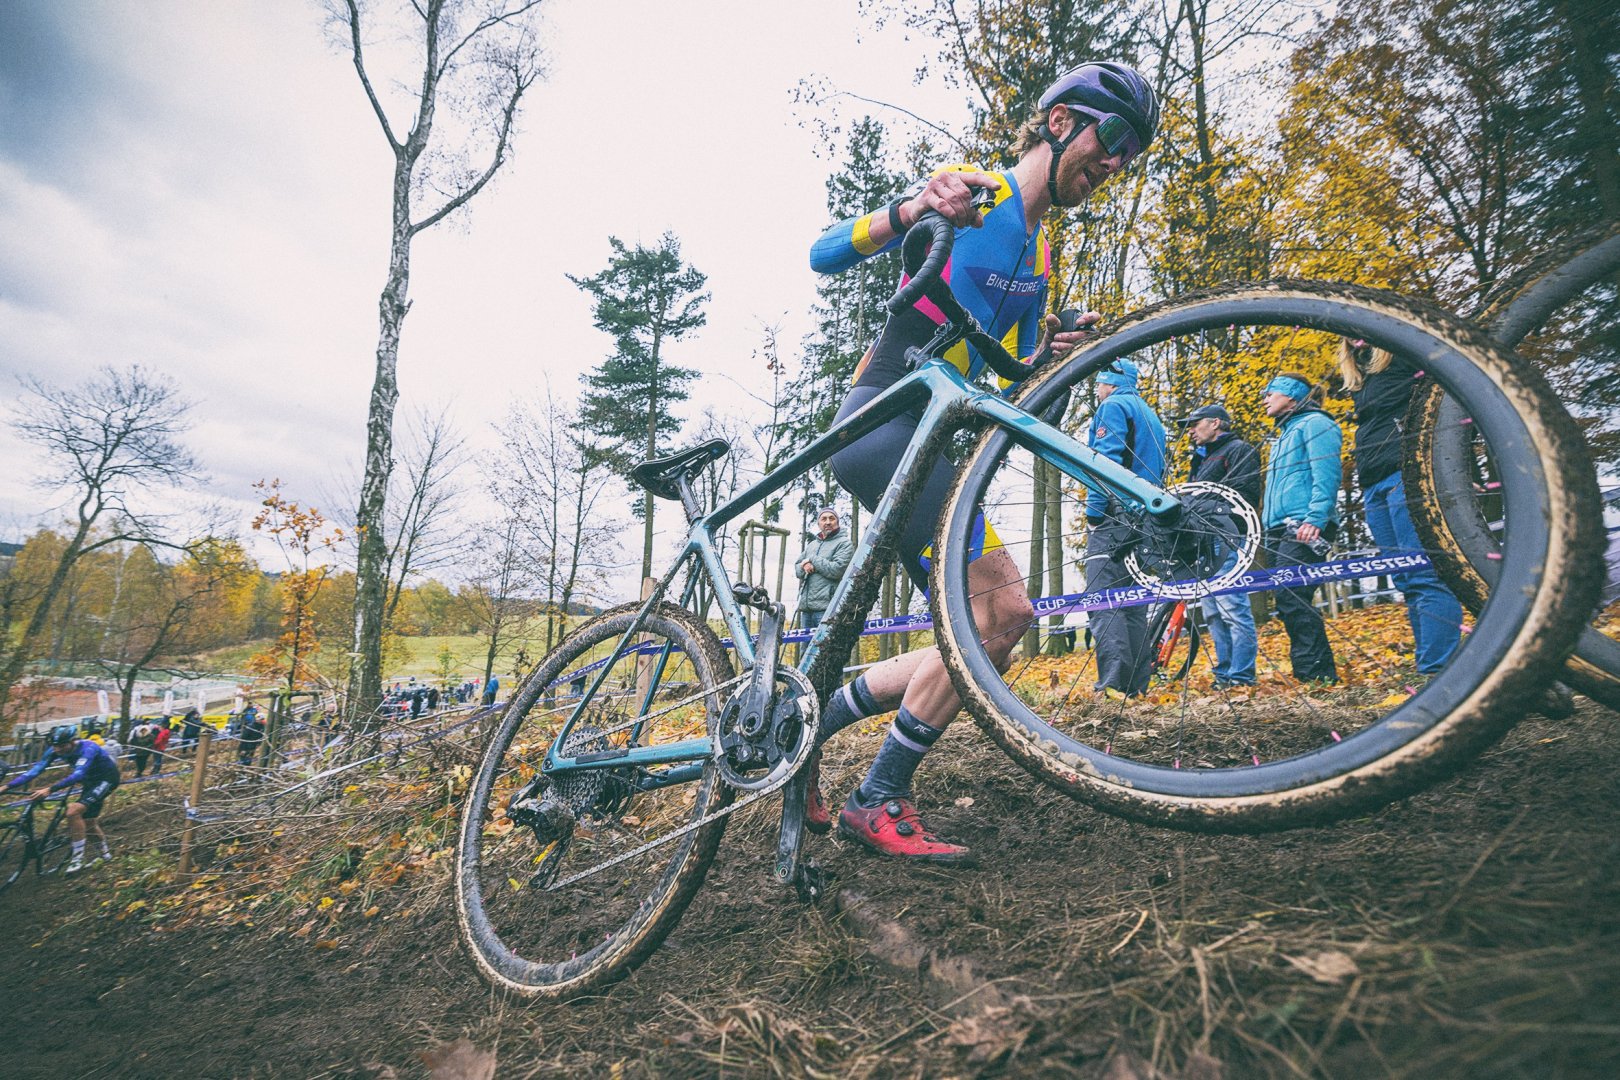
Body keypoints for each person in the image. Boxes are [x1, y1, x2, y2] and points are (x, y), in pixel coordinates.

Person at [807, 60, 1160, 863]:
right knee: (1001, 614)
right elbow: (823, 254)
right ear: (1062, 121)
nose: (1115, 162)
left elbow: (1011, 379)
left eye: (1131, 154)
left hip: (930, 441)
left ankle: (810, 723)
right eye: (1112, 138)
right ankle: (878, 794)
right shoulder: (978, 193)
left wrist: (1050, 353)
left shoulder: (1038, 258)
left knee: (987, 625)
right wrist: (910, 209)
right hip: (880, 426)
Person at [1338, 340, 1463, 674]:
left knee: (1425, 572)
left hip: (1404, 471)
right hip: (1372, 481)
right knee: (1405, 579)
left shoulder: (1403, 357)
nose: (1354, 336)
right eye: (1346, 333)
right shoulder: (1361, 375)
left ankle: (1440, 668)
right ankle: (1429, 664)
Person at [1081, 359, 1168, 698]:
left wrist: (1094, 513)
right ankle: (1136, 687)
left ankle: (1112, 685)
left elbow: (1104, 462)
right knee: (1133, 603)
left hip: (1115, 515)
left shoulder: (1114, 406)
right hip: (1146, 517)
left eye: (1099, 382)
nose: (1097, 389)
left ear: (1111, 382)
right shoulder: (1150, 413)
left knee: (1103, 598)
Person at [1261, 372, 1343, 684]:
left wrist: (1316, 518)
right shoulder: (1284, 434)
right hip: (1278, 528)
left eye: (1271, 393)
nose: (1265, 399)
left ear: (1292, 396)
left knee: (1292, 595)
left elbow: (1327, 473)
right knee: (1287, 600)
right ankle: (1312, 673)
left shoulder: (1316, 424)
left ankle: (1317, 675)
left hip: (1304, 524)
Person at [1178, 403, 1262, 686]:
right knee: (1213, 613)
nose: (1190, 431)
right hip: (1202, 542)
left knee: (1233, 608)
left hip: (1227, 537)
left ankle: (1242, 676)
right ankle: (1224, 674)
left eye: (1195, 423)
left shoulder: (1238, 449)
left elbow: (1244, 494)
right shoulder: (1201, 459)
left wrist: (1206, 512)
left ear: (1215, 423)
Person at [4, 725, 119, 874]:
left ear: (73, 741)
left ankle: (77, 859)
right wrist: (7, 786)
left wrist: (49, 789)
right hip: (89, 781)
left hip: (106, 779)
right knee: (89, 822)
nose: (58, 749)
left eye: (62, 746)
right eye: (55, 746)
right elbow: (35, 770)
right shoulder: (54, 750)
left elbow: (78, 774)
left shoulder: (88, 748)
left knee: (73, 811)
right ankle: (105, 855)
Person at [795, 508, 854, 633]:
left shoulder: (844, 543)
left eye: (831, 518)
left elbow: (837, 570)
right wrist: (804, 566)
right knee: (805, 645)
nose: (828, 522)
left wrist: (812, 560)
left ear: (837, 522)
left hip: (828, 608)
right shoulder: (812, 545)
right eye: (824, 519)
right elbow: (798, 569)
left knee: (824, 644)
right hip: (806, 610)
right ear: (819, 523)